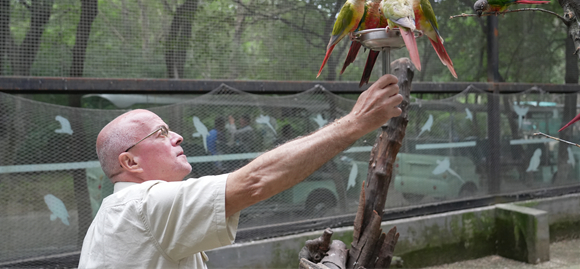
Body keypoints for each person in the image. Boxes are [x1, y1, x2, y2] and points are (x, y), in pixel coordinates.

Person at [78, 75, 402, 268]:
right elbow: (256, 181)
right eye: (160, 133)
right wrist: (357, 121)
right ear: (130, 162)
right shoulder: (142, 205)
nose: (176, 136)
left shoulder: (117, 214)